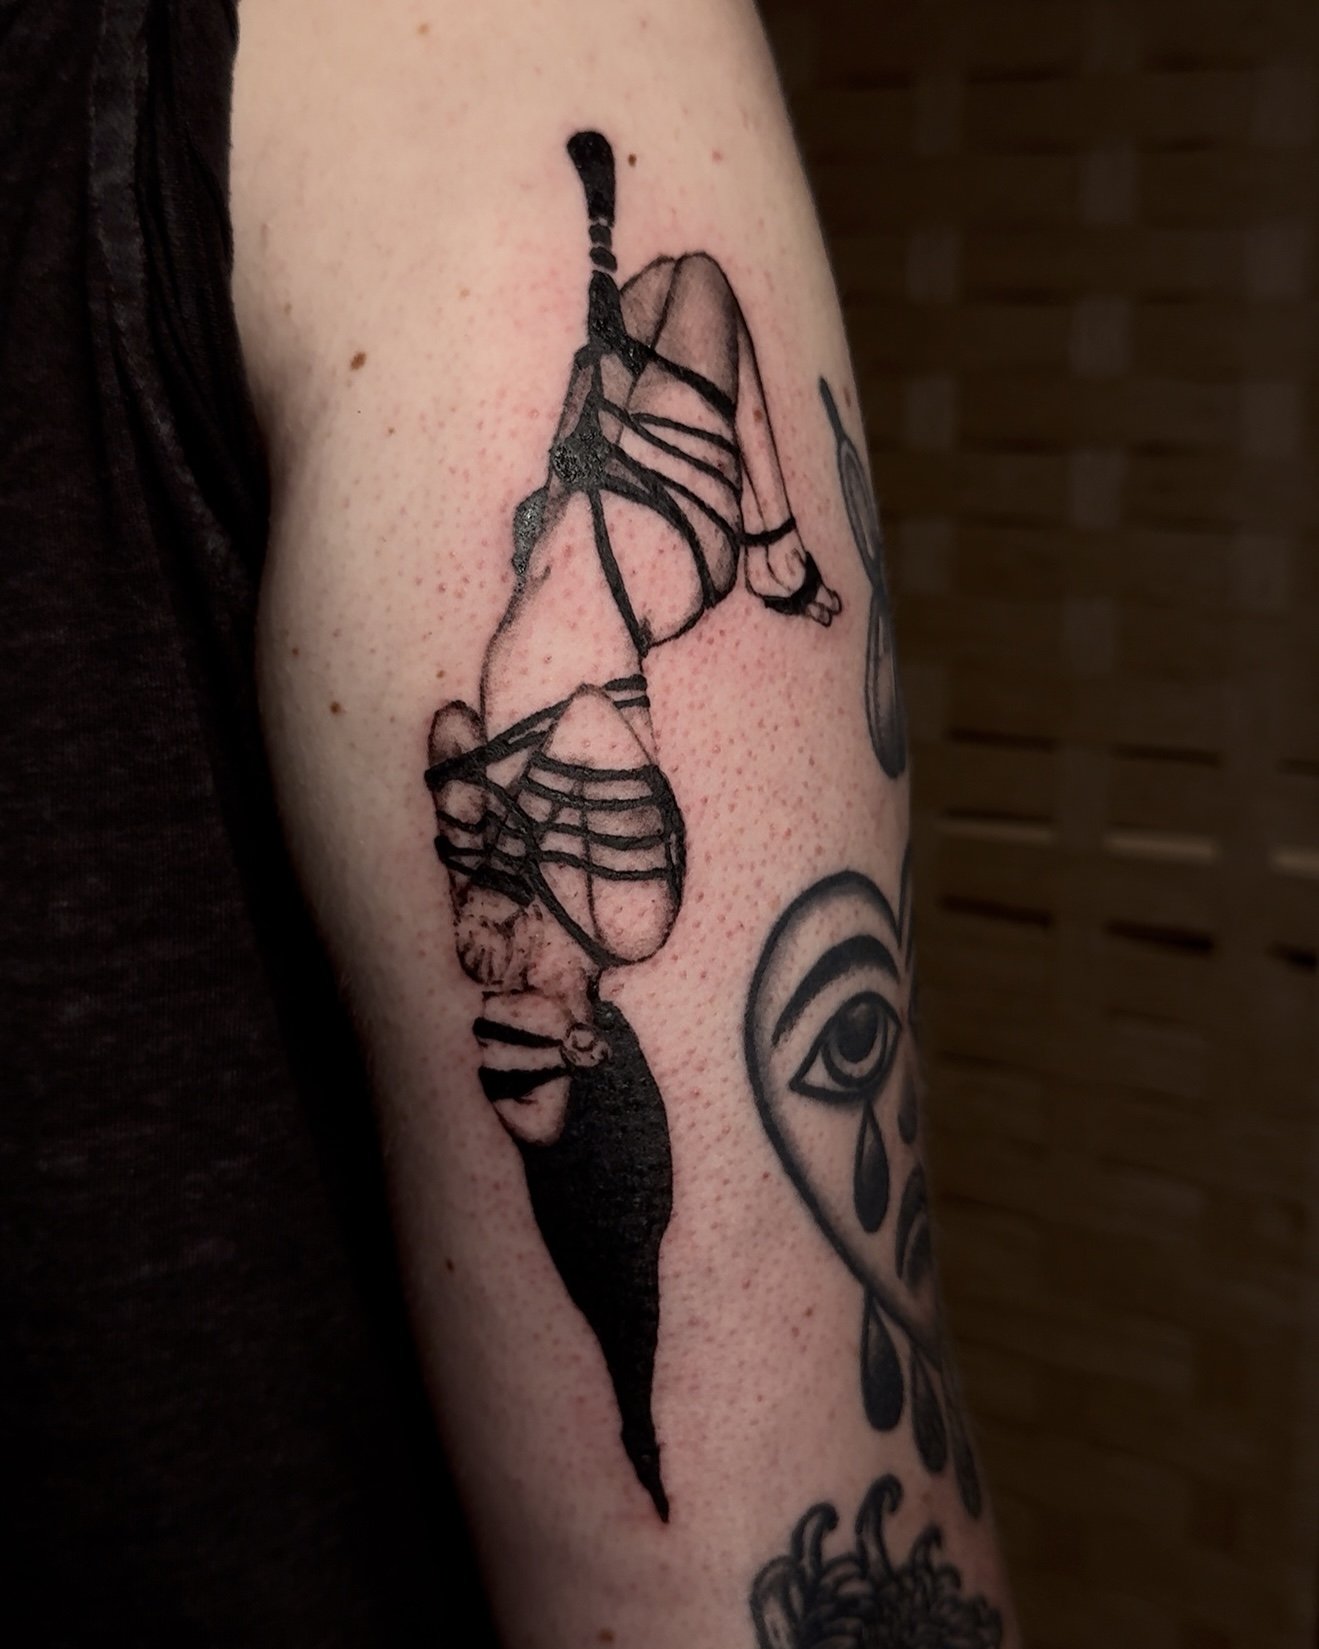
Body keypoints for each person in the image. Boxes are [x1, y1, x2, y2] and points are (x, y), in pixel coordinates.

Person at [4, 1, 1018, 1643]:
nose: (499, 993)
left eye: (502, 1034)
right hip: (645, 542)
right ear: (596, 1039)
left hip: (609, 533)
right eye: (539, 1039)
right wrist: (701, 582)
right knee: (682, 313)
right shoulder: (621, 894)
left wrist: (504, 779)